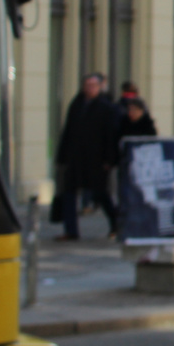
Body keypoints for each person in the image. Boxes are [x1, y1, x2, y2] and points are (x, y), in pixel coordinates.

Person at [53, 73, 120, 240]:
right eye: (87, 85)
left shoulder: (106, 108)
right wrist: (62, 156)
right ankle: (71, 230)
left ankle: (116, 223)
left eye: (93, 85)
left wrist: (109, 160)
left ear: (99, 87)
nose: (89, 89)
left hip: (96, 160)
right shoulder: (76, 104)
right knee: (69, 193)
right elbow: (68, 131)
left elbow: (110, 136)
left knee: (101, 194)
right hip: (75, 159)